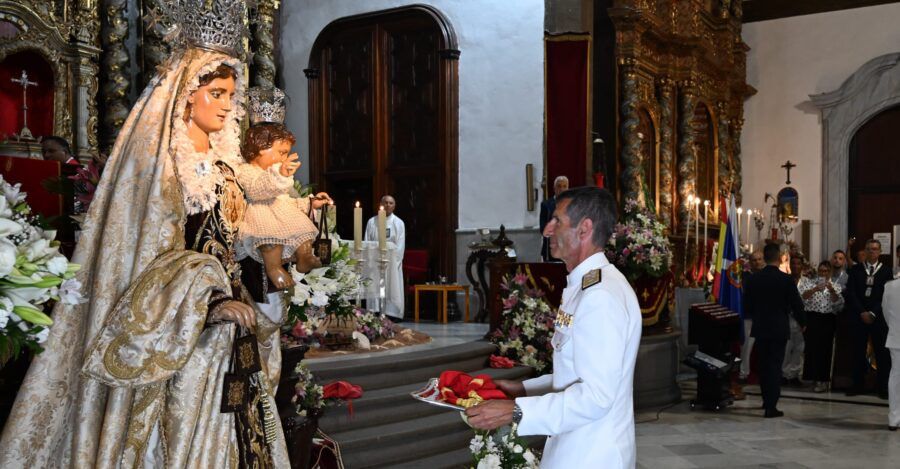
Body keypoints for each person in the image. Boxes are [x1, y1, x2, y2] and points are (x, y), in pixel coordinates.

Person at [0, 7, 290, 466]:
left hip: (230, 332)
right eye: (216, 92)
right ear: (185, 94)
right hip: (178, 336)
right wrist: (209, 302)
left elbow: (238, 246)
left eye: (232, 95)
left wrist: (267, 273)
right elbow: (143, 260)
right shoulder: (157, 167)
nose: (227, 104)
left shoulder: (229, 168)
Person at [465, 186, 642, 468]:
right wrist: (522, 389)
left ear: (584, 229)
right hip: (576, 445)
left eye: (556, 220)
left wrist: (516, 411)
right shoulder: (586, 287)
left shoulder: (600, 297)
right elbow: (577, 373)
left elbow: (596, 396)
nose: (547, 230)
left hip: (592, 455)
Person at [236, 119, 324, 288]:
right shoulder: (247, 170)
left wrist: (310, 204)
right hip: (261, 215)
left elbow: (287, 201)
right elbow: (256, 189)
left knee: (302, 230)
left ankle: (305, 257)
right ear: (261, 147)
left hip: (280, 211)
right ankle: (274, 268)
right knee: (271, 241)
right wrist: (280, 174)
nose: (284, 158)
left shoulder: (277, 179)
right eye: (282, 152)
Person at [743, 243, 805, 418]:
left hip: (761, 326)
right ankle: (772, 405)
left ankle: (765, 400)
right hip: (779, 327)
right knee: (775, 365)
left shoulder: (754, 279)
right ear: (779, 258)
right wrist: (803, 322)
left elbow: (747, 305)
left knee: (763, 365)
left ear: (765, 257)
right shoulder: (786, 279)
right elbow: (796, 304)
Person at [845, 239, 893, 398]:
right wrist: (862, 312)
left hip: (878, 318)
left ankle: (883, 387)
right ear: (864, 251)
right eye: (869, 249)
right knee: (857, 351)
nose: (872, 252)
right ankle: (857, 385)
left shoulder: (886, 271)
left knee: (882, 354)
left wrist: (873, 313)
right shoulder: (856, 270)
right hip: (859, 317)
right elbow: (851, 293)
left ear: (880, 251)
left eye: (875, 249)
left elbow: (887, 295)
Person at [800, 261, 844, 392]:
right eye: (821, 271)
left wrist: (831, 291)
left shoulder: (835, 286)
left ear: (830, 272)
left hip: (827, 319)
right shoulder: (808, 283)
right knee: (812, 349)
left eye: (826, 271)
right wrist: (814, 289)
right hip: (812, 318)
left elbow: (839, 304)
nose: (823, 273)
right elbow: (802, 298)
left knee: (825, 350)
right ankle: (812, 377)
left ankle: (823, 380)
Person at [365, 195, 406, 320]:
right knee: (374, 286)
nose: (388, 205)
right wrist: (372, 259)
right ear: (381, 204)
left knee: (392, 286)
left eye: (391, 203)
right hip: (375, 262)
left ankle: (392, 313)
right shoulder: (372, 222)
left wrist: (392, 261)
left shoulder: (398, 223)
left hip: (391, 264)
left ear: (394, 206)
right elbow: (367, 241)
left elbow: (400, 245)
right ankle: (374, 311)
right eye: (385, 202)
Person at [739, 250, 766, 382]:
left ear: (764, 260)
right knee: (746, 347)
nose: (757, 262)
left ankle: (765, 373)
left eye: (759, 259)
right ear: (750, 262)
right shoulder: (745, 277)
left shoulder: (768, 276)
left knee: (765, 347)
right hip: (749, 316)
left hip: (765, 317)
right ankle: (743, 373)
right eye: (754, 260)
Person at [782, 255, 808, 387]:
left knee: (799, 348)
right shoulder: (785, 280)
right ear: (790, 265)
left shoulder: (807, 282)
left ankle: (794, 374)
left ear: (802, 266)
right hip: (787, 318)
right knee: (786, 347)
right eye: (794, 263)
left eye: (799, 263)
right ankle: (784, 374)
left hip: (801, 320)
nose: (796, 266)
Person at [883, 277, 900, 430]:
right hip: (895, 336)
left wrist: (894, 329)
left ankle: (894, 418)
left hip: (896, 336)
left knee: (895, 376)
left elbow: (885, 311)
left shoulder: (890, 286)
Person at [539, 175, 569, 261]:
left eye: (564, 186)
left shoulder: (572, 205)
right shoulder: (546, 205)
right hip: (550, 249)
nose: (562, 189)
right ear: (554, 188)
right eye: (559, 186)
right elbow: (542, 229)